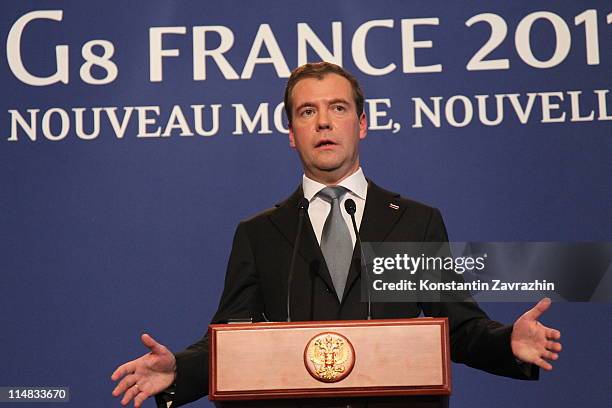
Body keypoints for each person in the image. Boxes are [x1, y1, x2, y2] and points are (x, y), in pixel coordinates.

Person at [111, 62, 562, 408]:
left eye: (338, 108)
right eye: (307, 112)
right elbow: (231, 340)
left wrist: (510, 344)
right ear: (292, 133)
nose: (323, 122)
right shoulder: (260, 234)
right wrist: (179, 373)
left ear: (361, 125)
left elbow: (460, 329)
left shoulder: (414, 222)